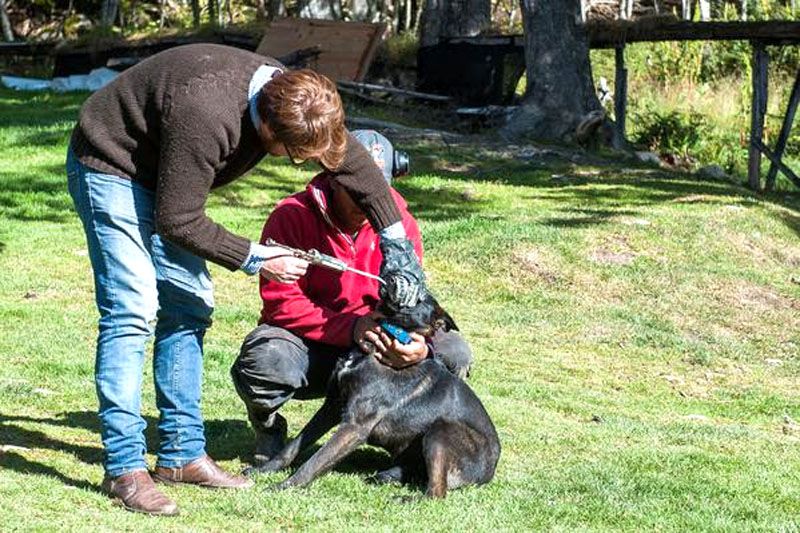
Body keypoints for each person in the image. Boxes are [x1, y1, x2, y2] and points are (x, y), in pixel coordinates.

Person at [66, 44, 427, 516]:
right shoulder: (207, 113)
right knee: (132, 311)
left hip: (172, 173)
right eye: (296, 156)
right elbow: (179, 220)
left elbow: (359, 170)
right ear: (265, 130)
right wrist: (257, 257)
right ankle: (124, 467)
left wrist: (398, 249)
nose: (302, 166)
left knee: (189, 305)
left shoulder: (304, 102)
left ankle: (180, 454)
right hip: (113, 163)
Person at [231, 130, 473, 467]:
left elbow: (409, 302)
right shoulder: (292, 216)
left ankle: (407, 436)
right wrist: (350, 328)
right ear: (333, 179)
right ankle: (269, 430)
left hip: (375, 342)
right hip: (312, 345)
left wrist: (419, 344)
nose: (366, 199)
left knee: (454, 351)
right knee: (265, 360)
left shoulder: (401, 225)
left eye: (376, 190)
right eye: (355, 188)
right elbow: (281, 302)